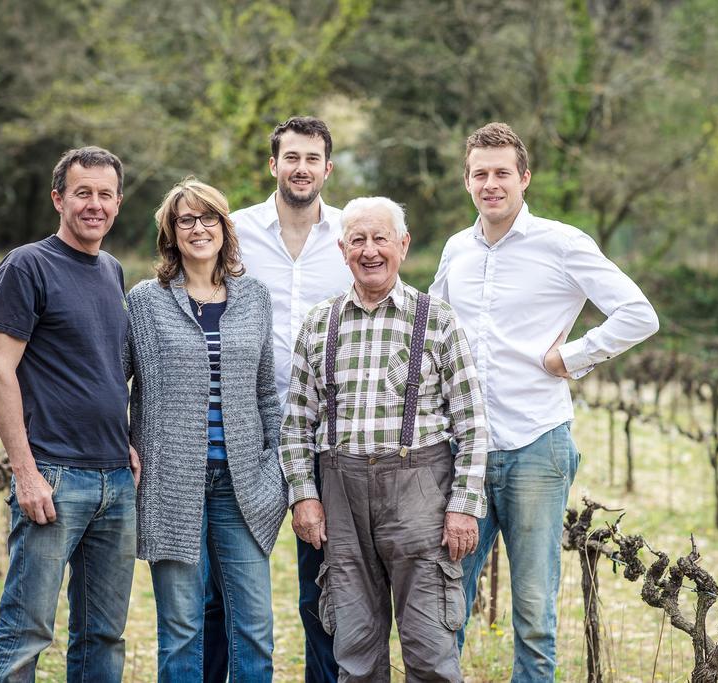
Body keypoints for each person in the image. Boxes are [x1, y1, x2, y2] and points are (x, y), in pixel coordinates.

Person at [429, 122, 660, 681]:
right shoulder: (456, 250)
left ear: (524, 178)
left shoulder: (563, 243)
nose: (491, 183)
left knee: (533, 612)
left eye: (502, 172)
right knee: (444, 603)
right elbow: (429, 331)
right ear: (466, 181)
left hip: (536, 445)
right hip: (465, 453)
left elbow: (639, 314)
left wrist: (574, 356)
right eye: (479, 174)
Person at [280, 197, 489, 683]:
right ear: (342, 248)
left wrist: (463, 507)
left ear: (403, 245)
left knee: (431, 650)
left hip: (420, 496)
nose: (369, 251)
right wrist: (304, 497)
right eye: (358, 240)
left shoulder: (436, 320)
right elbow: (295, 425)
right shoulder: (320, 323)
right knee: (354, 655)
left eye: (381, 239)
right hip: (341, 499)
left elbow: (473, 424)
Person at [0, 146, 140, 682]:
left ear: (118, 202)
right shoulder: (27, 265)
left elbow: (102, 367)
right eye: (82, 193)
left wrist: (126, 441)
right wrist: (26, 473)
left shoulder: (112, 271)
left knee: (103, 635)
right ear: (59, 199)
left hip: (115, 480)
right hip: (53, 475)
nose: (93, 205)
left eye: (104, 194)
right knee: (26, 632)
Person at [205, 115, 352, 683]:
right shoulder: (233, 233)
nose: (301, 168)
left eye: (312, 159)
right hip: (245, 432)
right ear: (273, 164)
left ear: (327, 169)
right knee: (222, 594)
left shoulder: (349, 236)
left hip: (325, 433)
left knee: (325, 591)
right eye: (291, 157)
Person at [125, 177, 288, 682]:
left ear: (225, 226)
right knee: (181, 632)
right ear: (171, 233)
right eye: (186, 220)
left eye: (209, 217)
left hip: (243, 487)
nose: (199, 228)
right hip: (171, 484)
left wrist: (274, 465)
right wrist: (125, 446)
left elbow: (266, 393)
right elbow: (116, 382)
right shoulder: (145, 303)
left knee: (255, 628)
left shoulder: (254, 298)